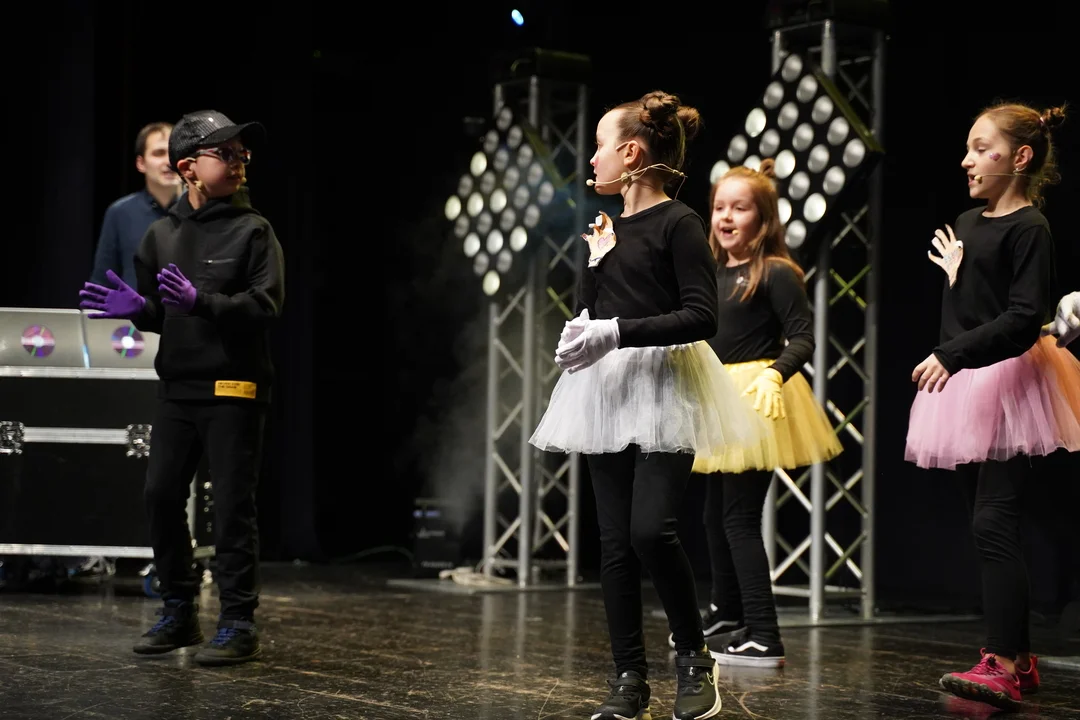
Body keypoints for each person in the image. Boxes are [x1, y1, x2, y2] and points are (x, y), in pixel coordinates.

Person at [530, 90, 766, 720]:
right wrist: (581, 330)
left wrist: (615, 332)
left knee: (649, 530)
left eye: (600, 146)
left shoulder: (678, 223)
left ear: (631, 153)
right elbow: (595, 307)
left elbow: (702, 315)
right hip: (607, 390)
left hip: (665, 386)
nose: (593, 159)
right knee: (613, 544)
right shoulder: (607, 228)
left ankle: (693, 655)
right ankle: (629, 677)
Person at [78, 110, 285, 667]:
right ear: (189, 167)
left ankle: (238, 620)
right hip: (179, 386)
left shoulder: (254, 231)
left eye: (243, 154)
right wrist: (138, 309)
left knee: (232, 506)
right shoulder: (160, 234)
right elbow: (159, 311)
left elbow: (266, 306)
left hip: (235, 386)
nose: (239, 162)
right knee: (161, 495)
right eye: (226, 153)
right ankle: (179, 609)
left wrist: (202, 302)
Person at [905, 102, 1080, 710]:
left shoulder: (1030, 227)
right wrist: (960, 283)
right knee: (983, 526)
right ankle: (1021, 659)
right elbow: (971, 311)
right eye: (968, 148)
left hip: (1012, 384)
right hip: (967, 389)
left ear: (1020, 157)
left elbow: (1024, 317)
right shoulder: (966, 221)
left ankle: (1001, 662)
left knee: (993, 522)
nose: (967, 160)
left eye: (982, 149)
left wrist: (952, 354)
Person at [679, 159, 842, 668]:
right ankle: (727, 614)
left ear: (764, 219)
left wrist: (776, 374)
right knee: (713, 516)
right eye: (719, 207)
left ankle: (765, 635)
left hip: (754, 399)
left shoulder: (775, 272)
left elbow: (803, 338)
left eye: (740, 208)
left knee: (739, 519)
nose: (726, 217)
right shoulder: (711, 274)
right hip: (716, 398)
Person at [90, 122, 181, 288]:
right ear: (141, 163)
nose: (169, 161)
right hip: (135, 305)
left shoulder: (199, 208)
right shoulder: (120, 212)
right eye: (159, 153)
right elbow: (103, 280)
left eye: (174, 153)